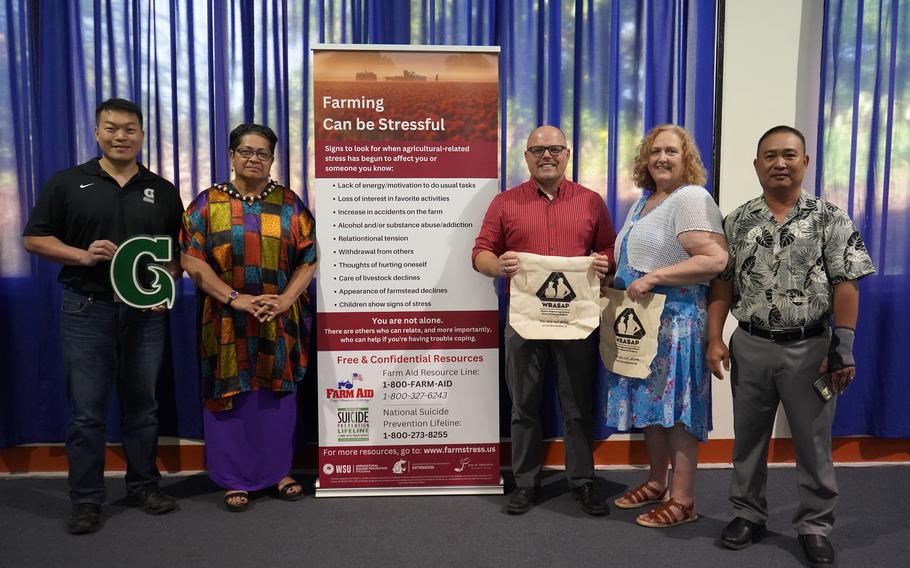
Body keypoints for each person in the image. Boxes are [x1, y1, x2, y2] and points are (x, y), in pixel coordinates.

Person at [707, 125, 875, 566]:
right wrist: (714, 339)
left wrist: (844, 346)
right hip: (751, 347)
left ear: (805, 162)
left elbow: (847, 285)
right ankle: (748, 514)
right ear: (757, 164)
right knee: (748, 440)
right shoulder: (737, 221)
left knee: (813, 443)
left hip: (812, 352)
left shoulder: (829, 218)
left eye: (789, 155)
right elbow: (722, 286)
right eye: (770, 156)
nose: (779, 163)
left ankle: (815, 525)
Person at [22, 98, 183, 534]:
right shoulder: (68, 183)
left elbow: (175, 254)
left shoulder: (163, 190)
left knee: (143, 408)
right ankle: (87, 499)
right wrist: (81, 255)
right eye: (111, 128)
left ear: (142, 134)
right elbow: (34, 239)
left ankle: (144, 485)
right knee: (87, 411)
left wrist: (164, 286)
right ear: (96, 133)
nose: (120, 136)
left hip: (144, 315)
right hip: (86, 307)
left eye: (129, 129)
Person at [472, 125, 616, 516]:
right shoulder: (505, 202)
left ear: (567, 154)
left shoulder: (591, 202)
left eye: (554, 149)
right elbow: (481, 252)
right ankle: (525, 483)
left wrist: (605, 263)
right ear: (527, 157)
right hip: (524, 322)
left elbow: (607, 248)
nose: (546, 156)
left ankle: (583, 481)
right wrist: (498, 265)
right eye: (538, 150)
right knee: (524, 405)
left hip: (576, 323)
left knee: (578, 405)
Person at [180, 123, 317, 512]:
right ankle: (232, 478)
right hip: (224, 320)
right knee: (231, 394)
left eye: (262, 153)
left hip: (279, 320)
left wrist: (285, 299)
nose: (254, 159)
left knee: (275, 396)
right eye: (246, 152)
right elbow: (190, 258)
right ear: (232, 155)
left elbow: (309, 259)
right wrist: (235, 298)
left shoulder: (289, 204)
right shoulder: (207, 204)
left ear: (272, 160)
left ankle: (278, 472)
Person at [603, 124, 728, 527]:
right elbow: (632, 261)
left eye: (671, 151)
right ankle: (657, 483)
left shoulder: (690, 197)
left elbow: (714, 260)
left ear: (686, 158)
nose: (662, 158)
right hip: (643, 326)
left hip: (678, 325)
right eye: (655, 151)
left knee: (678, 413)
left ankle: (684, 499)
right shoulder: (643, 203)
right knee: (651, 409)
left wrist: (655, 277)